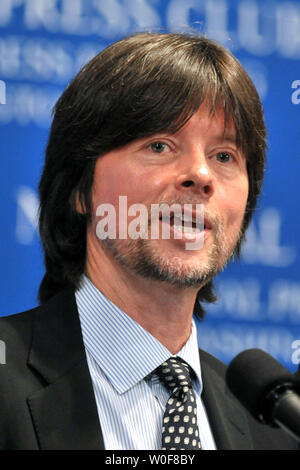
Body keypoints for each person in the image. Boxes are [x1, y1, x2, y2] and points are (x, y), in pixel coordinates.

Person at [0, 32, 298, 450]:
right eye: (160, 145)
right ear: (80, 189)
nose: (201, 175)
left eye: (225, 156)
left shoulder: (276, 430)